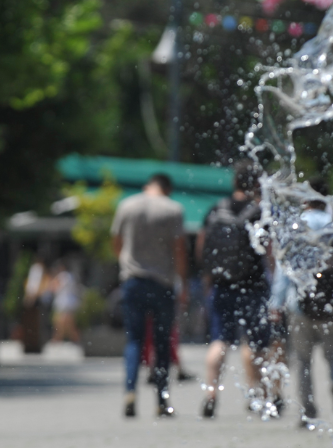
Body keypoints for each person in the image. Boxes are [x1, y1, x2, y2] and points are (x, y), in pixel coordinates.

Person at [198, 160, 275, 418]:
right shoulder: (259, 212)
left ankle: (211, 394)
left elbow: (202, 247)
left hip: (221, 284)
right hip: (253, 285)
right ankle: (256, 394)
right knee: (253, 342)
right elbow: (269, 252)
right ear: (256, 184)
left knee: (219, 340)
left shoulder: (215, 209)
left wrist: (208, 279)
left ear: (234, 182)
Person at [270, 177, 333, 426]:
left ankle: (308, 410)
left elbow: (284, 268)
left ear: (305, 199)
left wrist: (276, 302)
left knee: (302, 360)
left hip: (299, 303)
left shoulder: (295, 225)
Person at [111, 173, 187, 418]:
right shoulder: (173, 209)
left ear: (148, 186)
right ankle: (162, 400)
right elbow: (179, 250)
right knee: (162, 343)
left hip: (133, 280)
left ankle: (130, 392)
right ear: (167, 189)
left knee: (134, 340)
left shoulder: (127, 205)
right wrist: (183, 282)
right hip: (163, 282)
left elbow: (116, 241)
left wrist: (125, 263)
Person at [49, 259, 81, 344]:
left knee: (60, 324)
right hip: (69, 303)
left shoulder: (63, 276)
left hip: (64, 303)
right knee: (69, 324)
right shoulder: (71, 276)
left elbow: (53, 287)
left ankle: (57, 340)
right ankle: (74, 341)